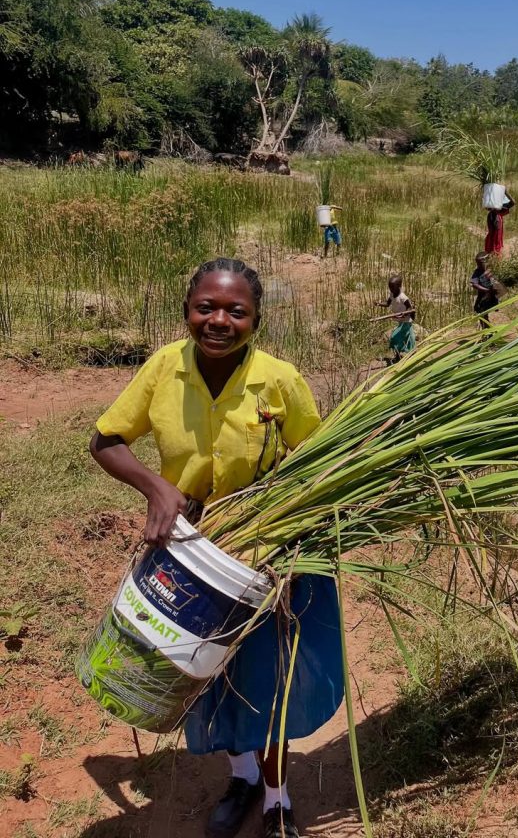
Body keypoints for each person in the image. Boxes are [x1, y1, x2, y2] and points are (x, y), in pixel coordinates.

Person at [89, 258, 342, 838]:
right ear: (187, 311)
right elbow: (106, 439)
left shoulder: (278, 378)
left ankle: (277, 795)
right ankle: (242, 776)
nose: (219, 320)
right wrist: (157, 487)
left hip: (267, 548)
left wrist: (289, 515)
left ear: (256, 320)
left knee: (268, 673)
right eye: (206, 307)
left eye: (236, 311)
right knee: (206, 670)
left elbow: (317, 457)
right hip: (194, 553)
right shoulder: (162, 368)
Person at [379, 274, 416, 362]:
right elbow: (388, 304)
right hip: (401, 321)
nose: (391, 289)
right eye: (390, 287)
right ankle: (409, 353)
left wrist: (404, 314)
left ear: (399, 286)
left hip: (406, 321)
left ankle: (399, 356)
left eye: (393, 287)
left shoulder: (403, 298)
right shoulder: (392, 294)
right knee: (408, 337)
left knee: (395, 337)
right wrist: (379, 304)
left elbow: (411, 309)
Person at [471, 252, 499, 328]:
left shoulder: (492, 270)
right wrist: (486, 290)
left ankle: (488, 331)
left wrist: (495, 288)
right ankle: (487, 330)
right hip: (483, 296)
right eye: (477, 263)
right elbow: (474, 284)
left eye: (480, 263)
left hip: (492, 297)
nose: (478, 265)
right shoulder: (477, 272)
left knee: (483, 313)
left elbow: (497, 283)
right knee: (481, 313)